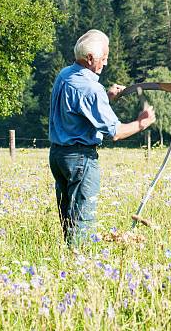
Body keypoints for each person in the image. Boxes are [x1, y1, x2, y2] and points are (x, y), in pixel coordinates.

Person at [48, 29, 156, 247]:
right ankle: (79, 262)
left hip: (58, 156)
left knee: (68, 216)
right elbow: (114, 132)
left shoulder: (65, 75)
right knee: (82, 218)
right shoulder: (90, 87)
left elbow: (77, 111)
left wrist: (106, 98)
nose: (105, 64)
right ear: (90, 58)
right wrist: (141, 123)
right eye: (104, 58)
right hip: (80, 158)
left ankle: (69, 256)